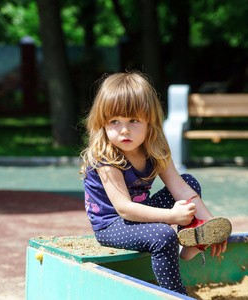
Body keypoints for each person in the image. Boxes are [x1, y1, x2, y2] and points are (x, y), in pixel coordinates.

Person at [80, 71, 232, 296]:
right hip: (112, 224)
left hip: (140, 211)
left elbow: (180, 188)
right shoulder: (105, 156)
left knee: (189, 182)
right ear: (102, 123)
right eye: (114, 121)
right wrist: (171, 217)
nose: (124, 130)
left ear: (149, 121)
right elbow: (124, 209)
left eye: (133, 120)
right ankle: (175, 295)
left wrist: (209, 226)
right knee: (163, 235)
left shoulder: (155, 148)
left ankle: (192, 241)